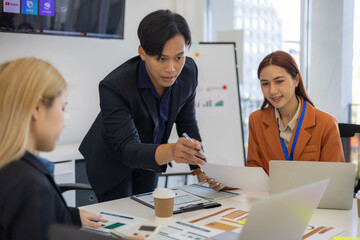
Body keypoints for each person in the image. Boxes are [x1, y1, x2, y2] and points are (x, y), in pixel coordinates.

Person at [0, 58, 143, 240]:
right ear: (37, 108)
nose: (64, 120)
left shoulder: (11, 170)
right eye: (62, 108)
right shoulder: (29, 185)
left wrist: (69, 215)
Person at [79, 9, 207, 202]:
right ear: (143, 52)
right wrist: (172, 151)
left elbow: (187, 123)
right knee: (123, 224)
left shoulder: (188, 72)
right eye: (162, 59)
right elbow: (127, 148)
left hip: (151, 158)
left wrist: (199, 169)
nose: (171, 68)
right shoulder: (115, 86)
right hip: (112, 162)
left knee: (148, 215)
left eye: (178, 57)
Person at [246, 50, 345, 174]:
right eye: (265, 84)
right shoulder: (256, 120)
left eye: (279, 81)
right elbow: (253, 169)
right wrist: (228, 181)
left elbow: (335, 177)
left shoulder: (326, 123)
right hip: (269, 193)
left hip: (312, 193)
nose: (272, 91)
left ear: (296, 80)